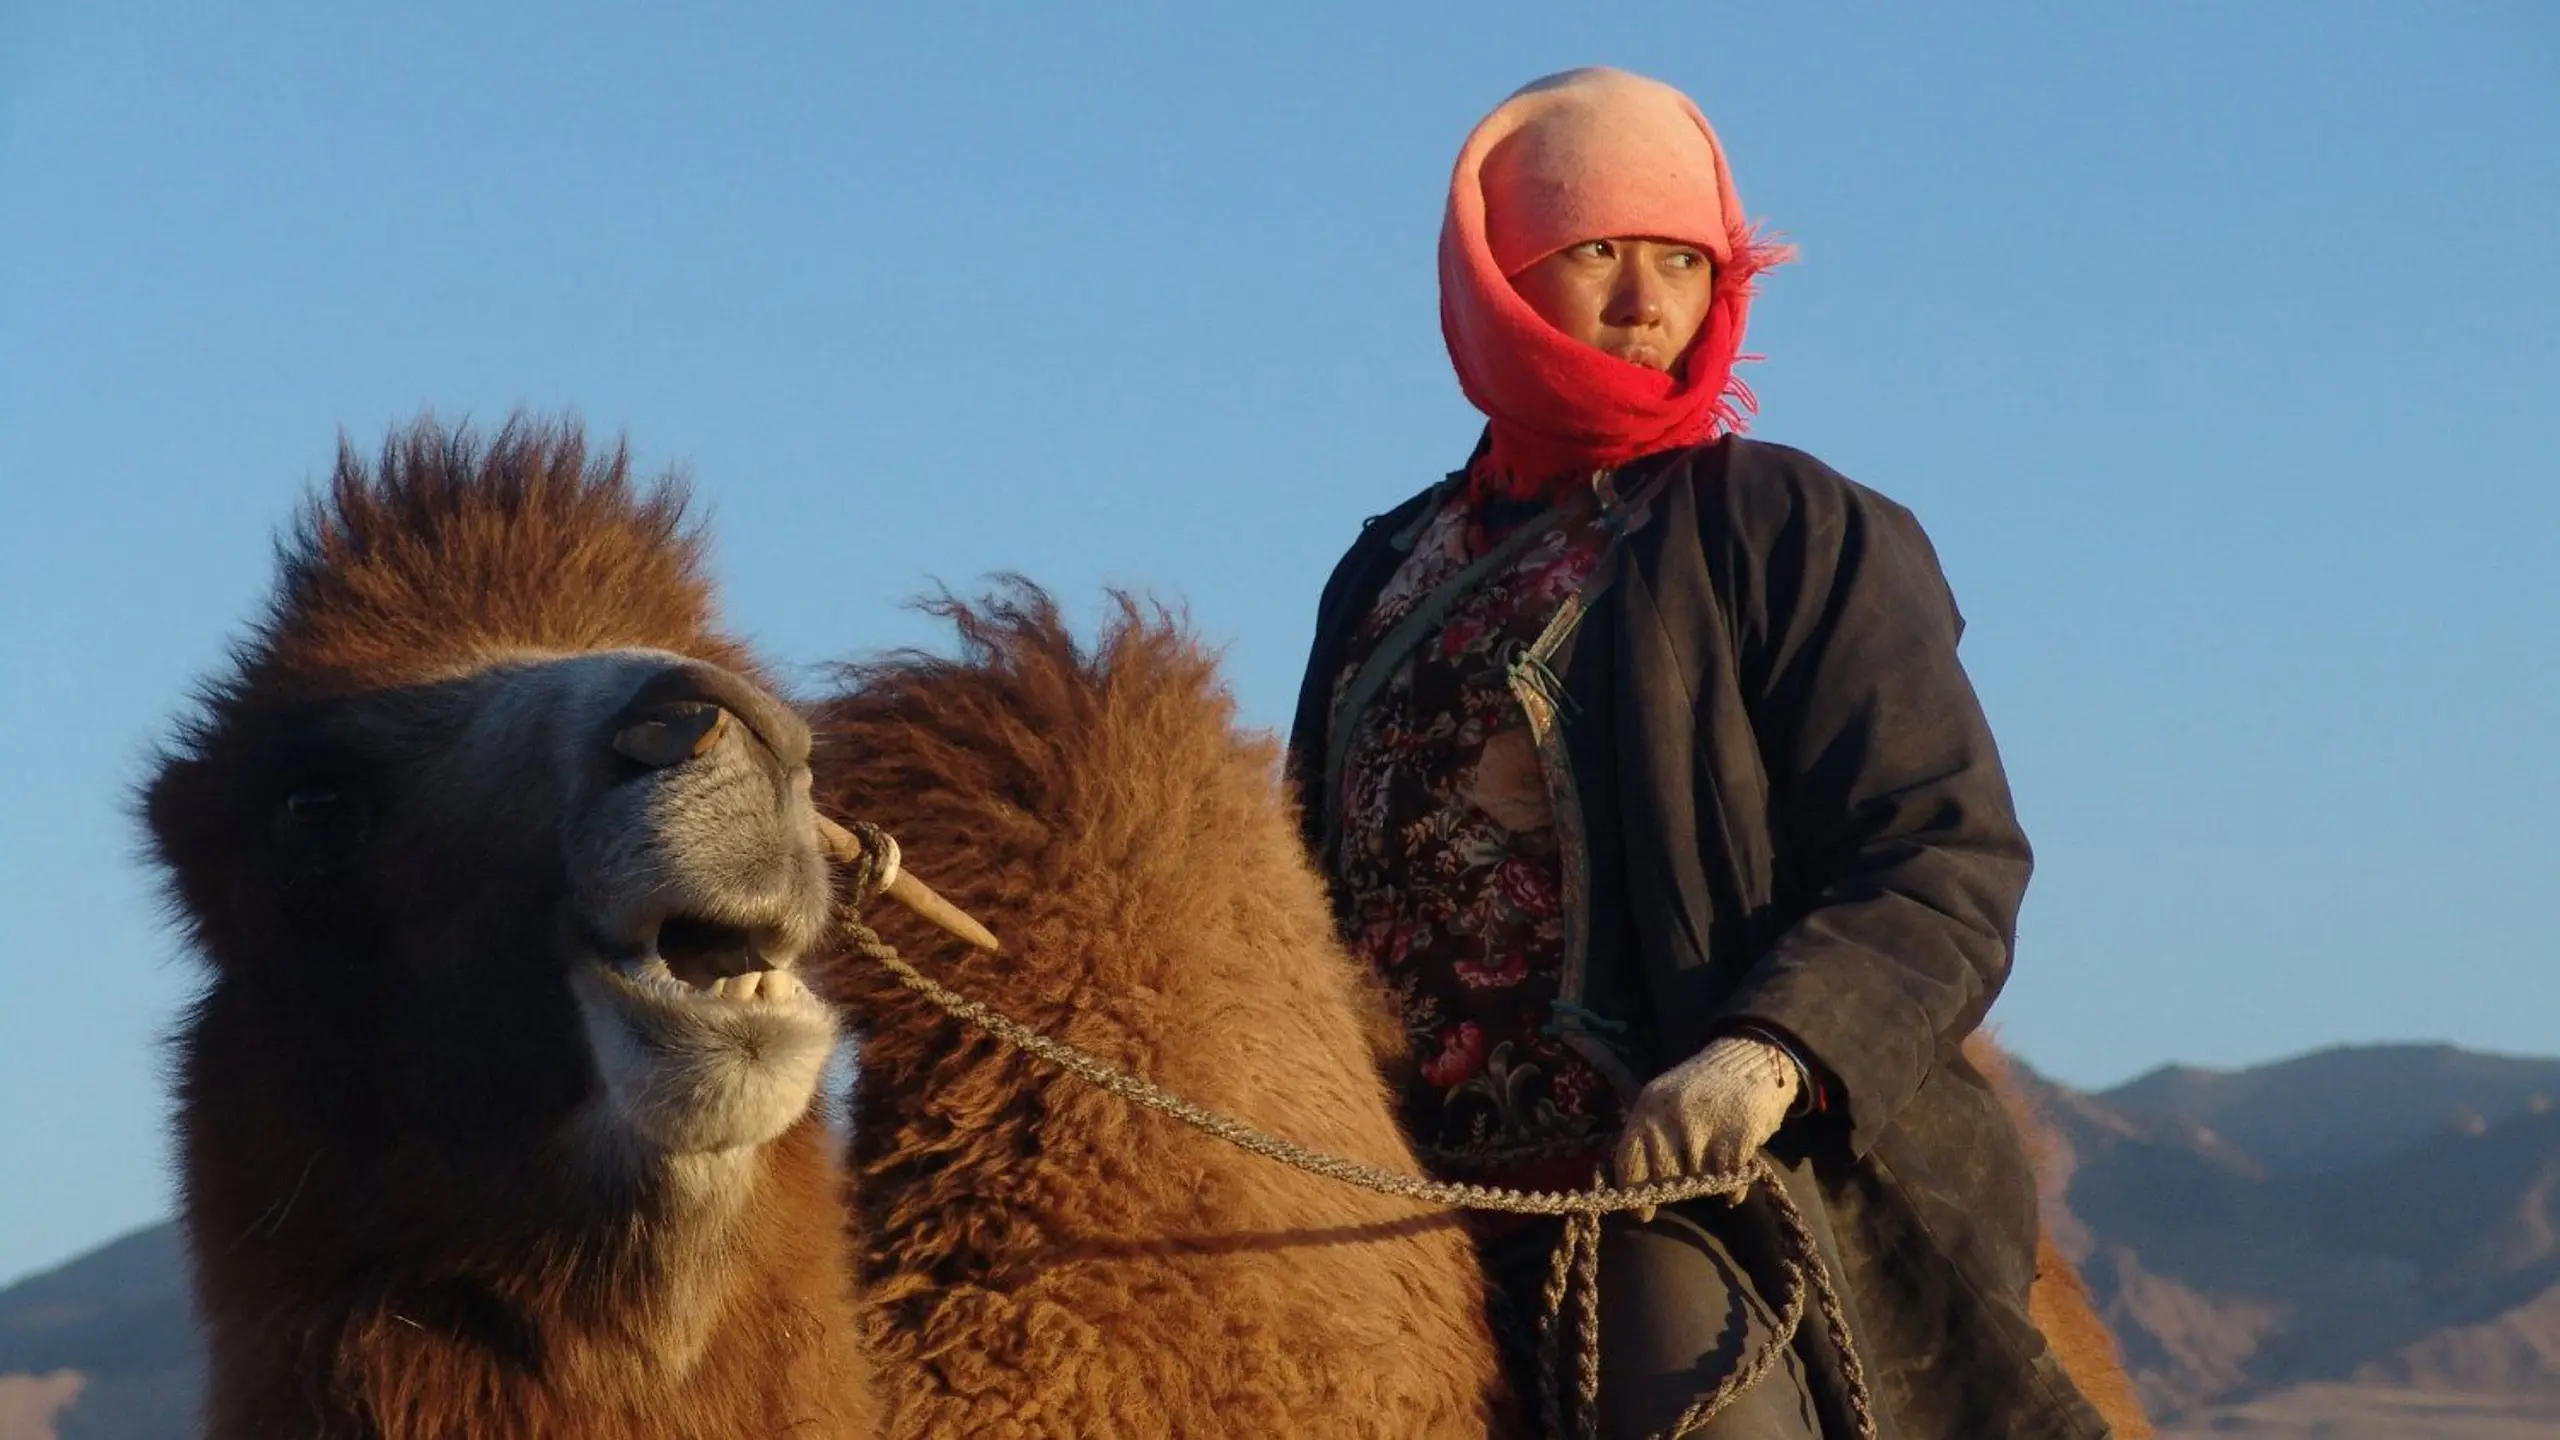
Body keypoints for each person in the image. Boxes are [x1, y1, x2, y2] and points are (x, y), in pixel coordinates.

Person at [1287, 67, 2114, 1438]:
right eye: (1595, 252)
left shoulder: (1790, 528)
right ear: (1496, 270)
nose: (1644, 299)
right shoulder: (1381, 568)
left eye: (1684, 259)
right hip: (1372, 1181)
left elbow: (1941, 858)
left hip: (1670, 1177)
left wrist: (1771, 1052)